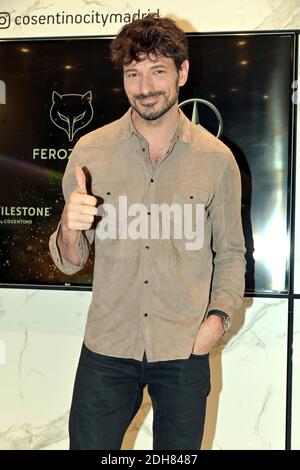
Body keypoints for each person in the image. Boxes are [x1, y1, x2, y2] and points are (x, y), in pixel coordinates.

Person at [49, 14, 246, 450]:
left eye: (158, 70)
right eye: (133, 73)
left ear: (183, 71)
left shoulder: (216, 160)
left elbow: (231, 254)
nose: (145, 87)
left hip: (183, 349)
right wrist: (68, 225)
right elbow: (70, 258)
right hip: (107, 347)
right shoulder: (91, 151)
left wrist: (216, 321)